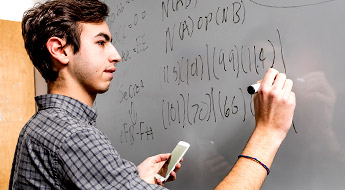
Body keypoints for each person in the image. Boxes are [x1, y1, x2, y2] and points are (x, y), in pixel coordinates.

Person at [9, 0, 295, 189]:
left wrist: (132, 180)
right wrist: (268, 133)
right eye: (101, 42)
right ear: (60, 50)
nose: (116, 55)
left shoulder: (41, 127)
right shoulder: (74, 136)